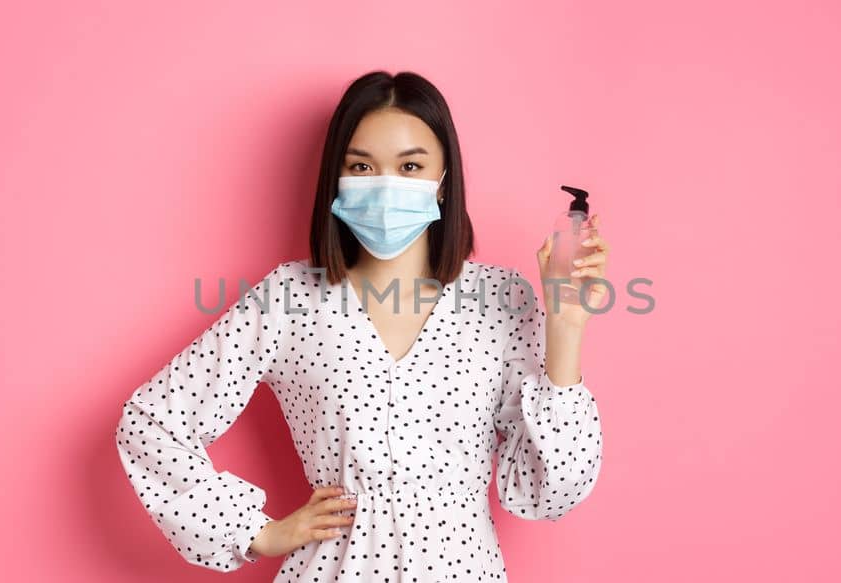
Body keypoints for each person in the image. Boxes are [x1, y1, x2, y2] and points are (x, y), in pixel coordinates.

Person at [115, 70, 609, 582]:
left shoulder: (501, 300)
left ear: (444, 183)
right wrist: (254, 530)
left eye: (410, 165)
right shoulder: (288, 299)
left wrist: (566, 329)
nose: (385, 184)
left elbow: (551, 491)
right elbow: (151, 422)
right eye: (362, 166)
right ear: (338, 177)